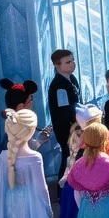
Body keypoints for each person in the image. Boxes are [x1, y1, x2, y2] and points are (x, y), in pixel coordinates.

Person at [46, 48, 80, 190]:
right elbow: (65, 111)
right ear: (57, 65)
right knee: (68, 157)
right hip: (66, 128)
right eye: (67, 62)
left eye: (72, 60)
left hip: (76, 125)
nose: (72, 64)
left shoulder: (71, 78)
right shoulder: (59, 85)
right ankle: (63, 190)